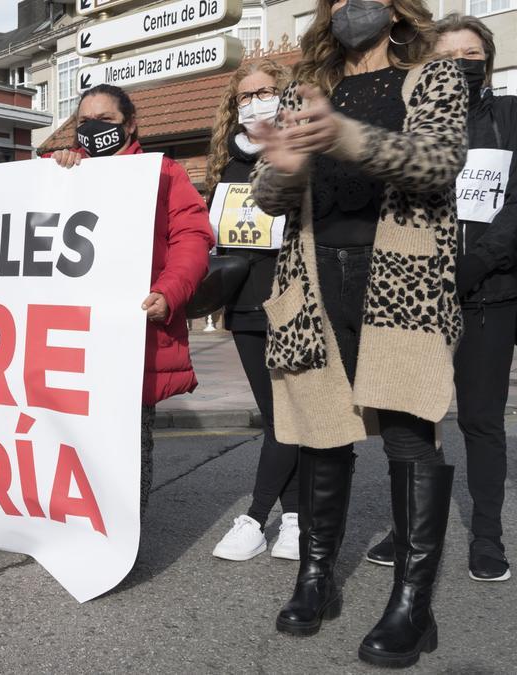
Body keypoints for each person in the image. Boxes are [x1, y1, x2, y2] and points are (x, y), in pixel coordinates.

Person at [250, 0, 467, 666]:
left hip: (401, 276)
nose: (350, 7)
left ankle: (412, 605)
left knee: (408, 430)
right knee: (320, 430)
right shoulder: (305, 88)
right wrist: (284, 167)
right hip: (316, 276)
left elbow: (437, 161)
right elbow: (266, 194)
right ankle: (315, 577)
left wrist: (341, 135)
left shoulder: (432, 77)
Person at [362, 14, 517, 584]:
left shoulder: (509, 117)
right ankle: (405, 531)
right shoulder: (412, 122)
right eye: (445, 56)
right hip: (415, 295)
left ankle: (486, 536)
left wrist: (477, 261)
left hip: (488, 294)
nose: (459, 64)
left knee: (480, 420)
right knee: (413, 418)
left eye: (470, 54)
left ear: (488, 60)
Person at [48, 84, 214, 516]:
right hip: (69, 337)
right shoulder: (61, 171)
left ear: (131, 124)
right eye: (85, 121)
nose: (93, 129)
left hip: (130, 331)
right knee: (68, 439)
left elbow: (192, 238)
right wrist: (57, 170)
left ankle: (123, 533)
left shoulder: (162, 173)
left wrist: (169, 291)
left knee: (127, 443)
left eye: (105, 120)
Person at [205, 60, 302, 563]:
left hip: (296, 301)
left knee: (291, 415)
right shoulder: (227, 163)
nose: (256, 101)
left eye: (267, 91)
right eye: (246, 96)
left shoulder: (303, 152)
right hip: (244, 306)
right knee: (276, 416)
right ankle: (295, 519)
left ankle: (258, 516)